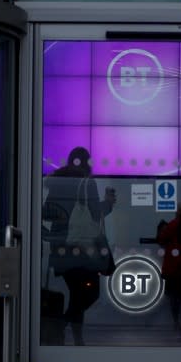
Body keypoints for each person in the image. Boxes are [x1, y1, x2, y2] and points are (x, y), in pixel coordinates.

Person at [43, 147, 115, 345]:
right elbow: (94, 213)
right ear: (87, 164)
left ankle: (77, 339)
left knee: (77, 295)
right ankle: (63, 324)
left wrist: (57, 229)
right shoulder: (86, 183)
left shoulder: (56, 183)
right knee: (90, 294)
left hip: (61, 249)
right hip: (82, 250)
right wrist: (108, 203)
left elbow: (46, 212)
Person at [157, 201, 181, 335]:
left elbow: (162, 239)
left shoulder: (174, 223)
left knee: (174, 296)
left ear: (179, 210)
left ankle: (176, 322)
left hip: (174, 266)